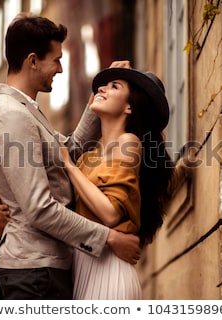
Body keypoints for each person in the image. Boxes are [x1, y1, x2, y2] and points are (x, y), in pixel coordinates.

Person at [0, 13, 140, 300]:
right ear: (32, 61)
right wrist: (110, 238)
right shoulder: (11, 116)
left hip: (45, 267)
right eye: (56, 59)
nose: (61, 68)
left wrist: (101, 97)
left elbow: (71, 150)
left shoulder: (25, 110)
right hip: (35, 271)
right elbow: (39, 208)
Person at [57, 67, 175, 299]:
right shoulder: (89, 155)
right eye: (105, 85)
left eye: (114, 86)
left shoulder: (128, 142)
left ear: (129, 107)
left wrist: (68, 166)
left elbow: (110, 214)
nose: (101, 88)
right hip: (85, 266)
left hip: (108, 269)